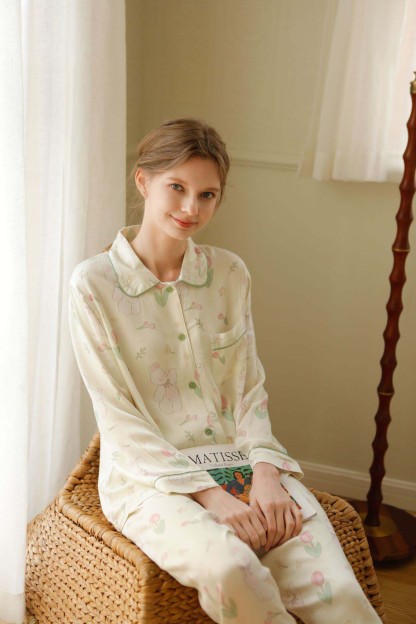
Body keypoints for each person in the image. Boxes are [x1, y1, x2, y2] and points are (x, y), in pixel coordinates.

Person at [68, 118, 382, 624]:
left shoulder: (229, 273)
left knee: (339, 592)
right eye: (177, 187)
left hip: (242, 462)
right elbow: (118, 417)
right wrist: (209, 495)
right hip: (150, 480)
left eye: (207, 195)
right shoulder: (93, 284)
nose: (191, 208)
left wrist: (267, 475)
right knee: (234, 570)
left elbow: (248, 390)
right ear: (143, 181)